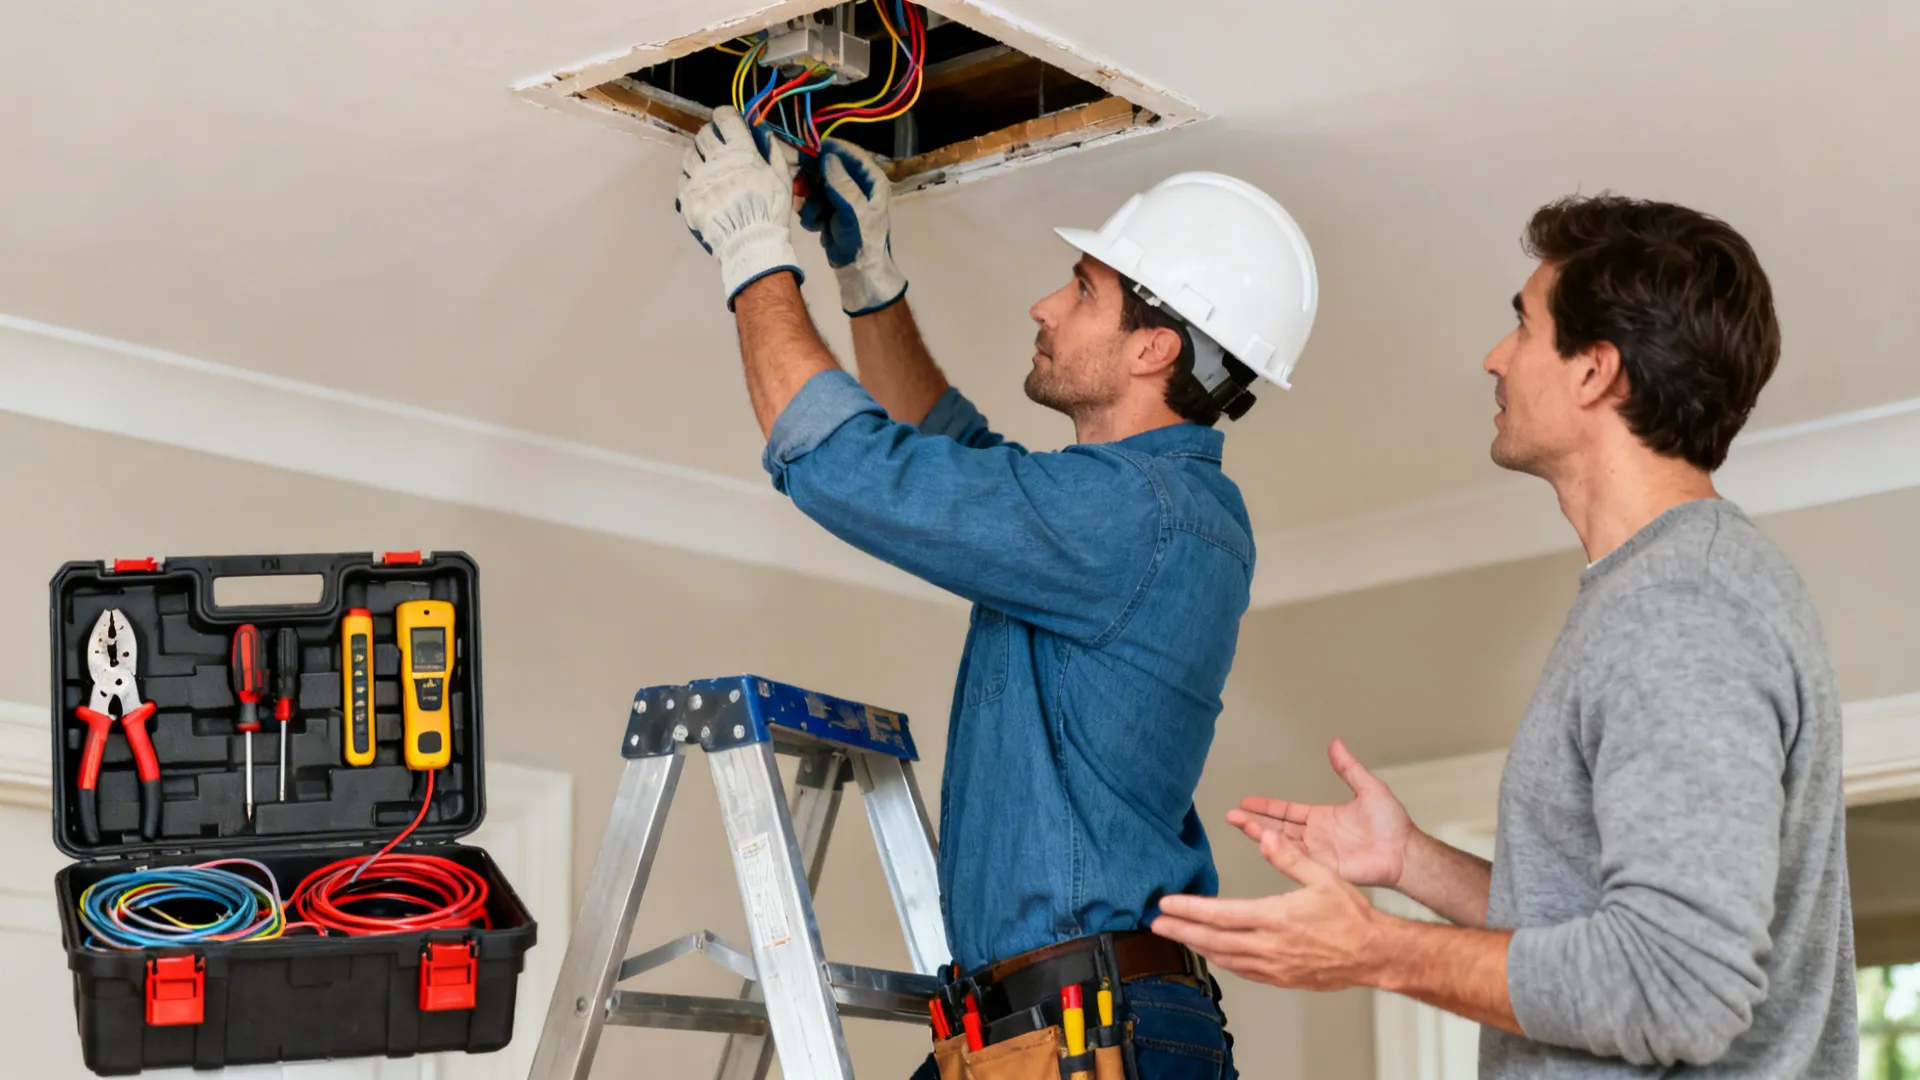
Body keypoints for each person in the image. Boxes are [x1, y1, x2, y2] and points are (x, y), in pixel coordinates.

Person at [674, 105, 1318, 1078]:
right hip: (1049, 1024)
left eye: (1084, 288)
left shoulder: (1138, 517)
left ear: (1156, 349)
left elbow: (852, 467)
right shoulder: (1133, 509)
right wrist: (868, 282)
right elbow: (954, 461)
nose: (1044, 305)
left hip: (1084, 1032)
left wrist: (752, 250)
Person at [1150, 194, 1858, 1077]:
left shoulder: (1685, 609)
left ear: (1596, 371)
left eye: (1521, 327)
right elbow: (1607, 932)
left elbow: (1678, 986)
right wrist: (1409, 861)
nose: (1494, 358)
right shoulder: (1661, 590)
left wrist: (1376, 949)